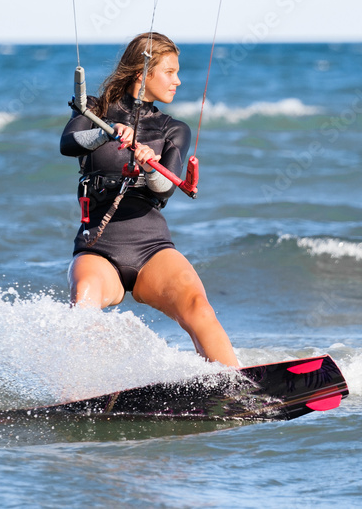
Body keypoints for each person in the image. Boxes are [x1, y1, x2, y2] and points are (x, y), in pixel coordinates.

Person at [60, 32, 238, 367]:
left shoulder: (174, 129)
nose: (178, 81)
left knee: (198, 306)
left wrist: (147, 164)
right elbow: (68, 143)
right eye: (170, 72)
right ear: (144, 74)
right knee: (84, 299)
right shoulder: (94, 111)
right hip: (98, 246)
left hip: (151, 247)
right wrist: (105, 132)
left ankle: (237, 385)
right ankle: (77, 393)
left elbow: (165, 189)